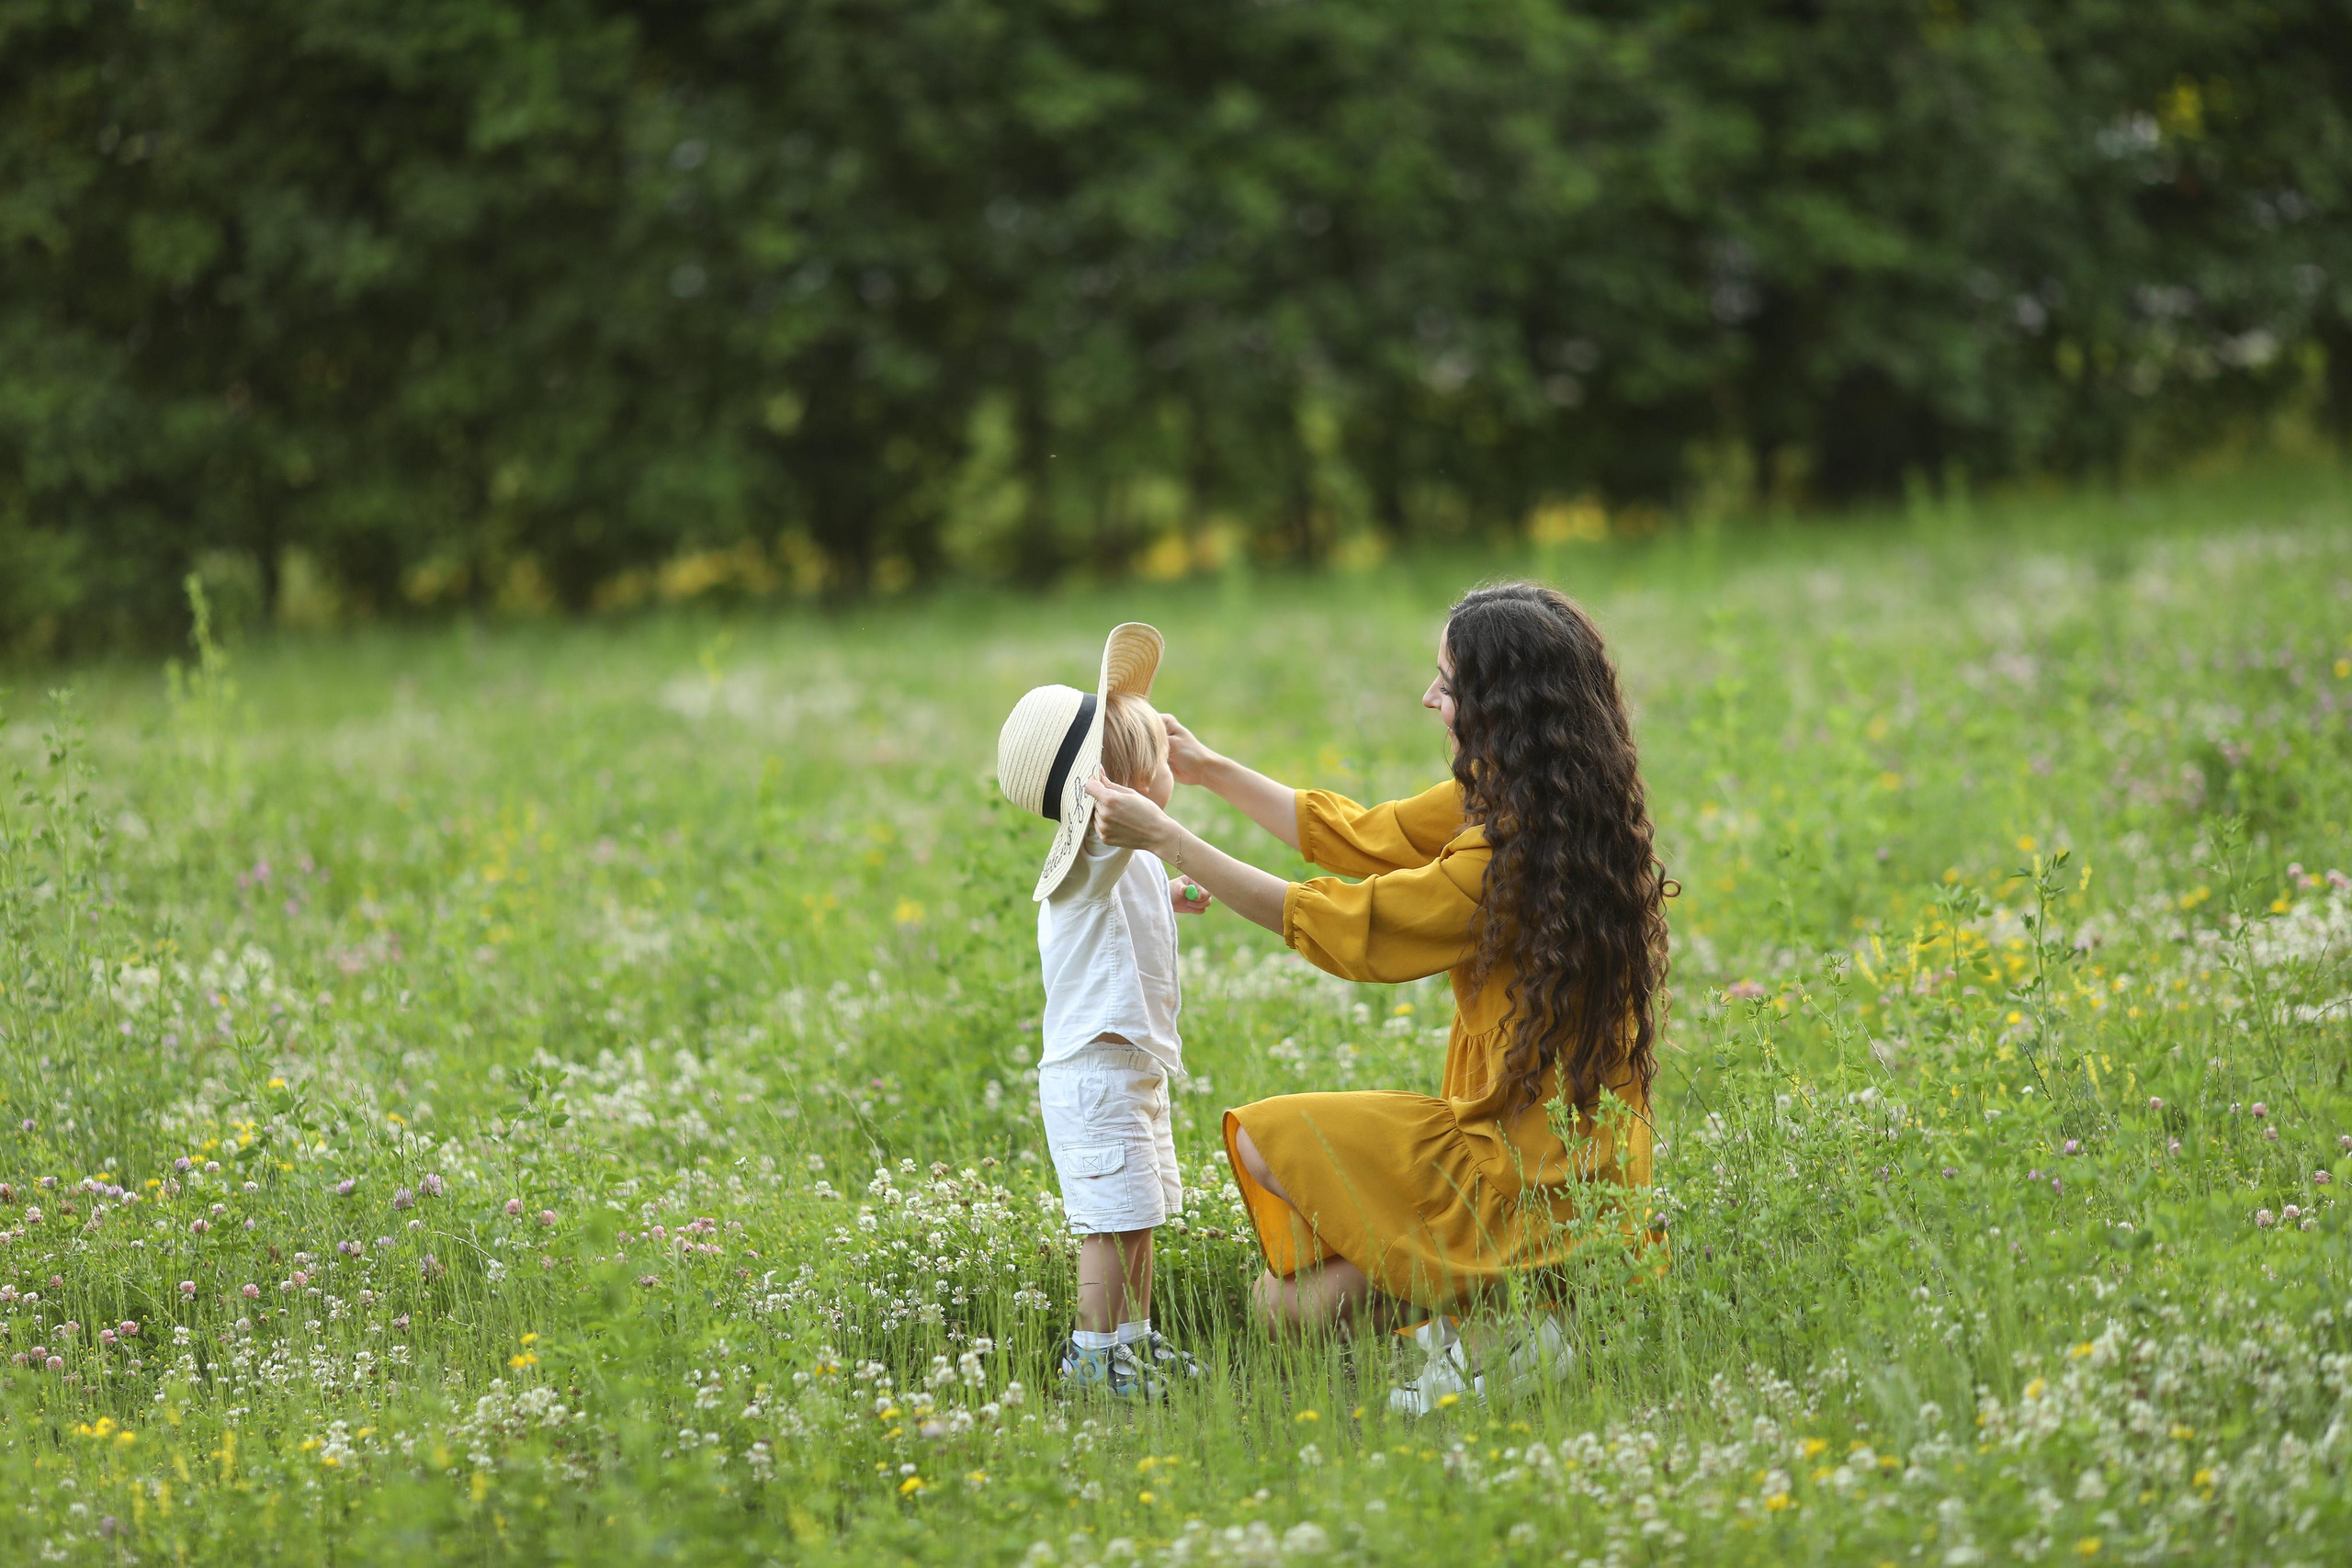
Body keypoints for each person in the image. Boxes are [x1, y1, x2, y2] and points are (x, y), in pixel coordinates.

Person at [1084, 582, 1670, 1412]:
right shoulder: (1547, 797)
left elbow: (1345, 923)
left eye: (1446, 682)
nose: (1430, 696)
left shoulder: (1502, 860)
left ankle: (1506, 1315)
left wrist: (1173, 838)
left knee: (1272, 1223)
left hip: (1514, 1171)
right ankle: (1513, 1311)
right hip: (1571, 1164)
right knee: (1276, 1300)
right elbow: (1364, 835)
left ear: (1499, 705)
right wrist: (1208, 769)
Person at [996, 622, 1215, 1400]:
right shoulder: (1089, 859)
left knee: (1138, 1213)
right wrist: (1132, 811)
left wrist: (1176, 891)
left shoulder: (1128, 857)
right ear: (1113, 793)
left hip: (1135, 1067)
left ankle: (1136, 1342)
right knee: (1105, 1228)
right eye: (1155, 765)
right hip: (1095, 1075)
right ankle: (1094, 1356)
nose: (1168, 776)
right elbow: (1112, 856)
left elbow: (1141, 877)